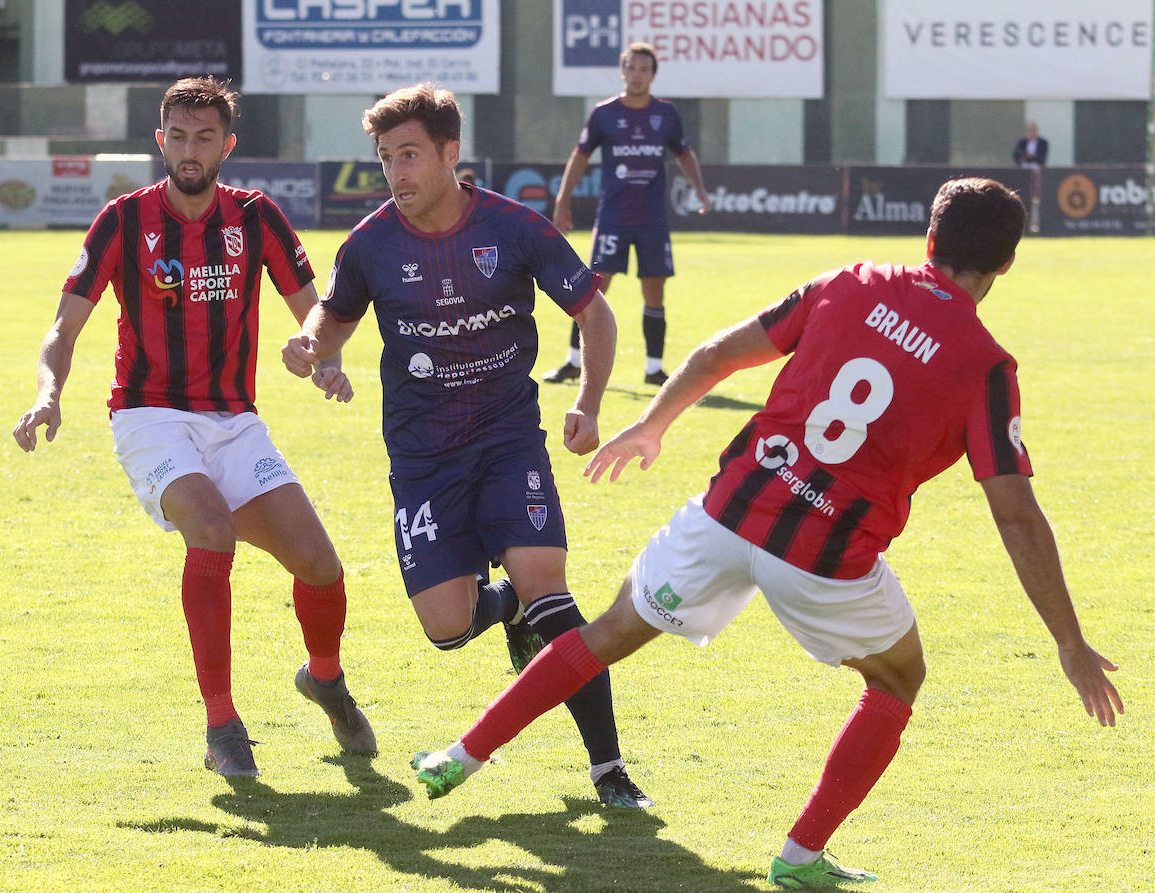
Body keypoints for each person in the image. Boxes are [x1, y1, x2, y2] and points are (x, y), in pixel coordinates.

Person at [408, 177, 1123, 887]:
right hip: (825, 557)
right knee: (900, 677)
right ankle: (801, 856)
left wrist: (653, 424)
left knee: (606, 633)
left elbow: (720, 354)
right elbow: (1015, 513)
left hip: (729, 512)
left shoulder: (851, 280)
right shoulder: (986, 365)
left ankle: (459, 754)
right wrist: (1068, 639)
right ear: (1007, 263)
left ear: (929, 239)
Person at [283, 83, 653, 808]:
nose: (397, 172)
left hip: (509, 438)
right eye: (386, 157)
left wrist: (587, 404)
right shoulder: (370, 244)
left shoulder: (514, 229)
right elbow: (332, 317)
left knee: (553, 591)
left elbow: (597, 316)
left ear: (451, 154)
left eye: (411, 154)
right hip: (423, 459)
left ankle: (609, 770)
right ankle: (506, 604)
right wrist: (310, 345)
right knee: (448, 627)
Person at [12, 76, 376, 779]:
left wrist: (317, 353)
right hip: (150, 415)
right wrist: (48, 394)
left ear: (227, 145)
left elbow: (314, 311)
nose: (189, 148)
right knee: (209, 529)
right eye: (178, 135)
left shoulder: (257, 217)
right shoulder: (122, 220)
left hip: (235, 421)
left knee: (321, 566)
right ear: (160, 140)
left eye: (204, 136)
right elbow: (65, 325)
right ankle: (222, 725)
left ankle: (324, 677)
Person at [545, 42, 710, 387]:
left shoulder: (666, 114)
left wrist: (700, 188)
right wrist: (563, 201)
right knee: (591, 289)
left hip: (652, 219)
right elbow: (580, 157)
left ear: (652, 75)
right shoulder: (604, 114)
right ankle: (573, 361)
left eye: (643, 69)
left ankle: (653, 368)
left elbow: (684, 153)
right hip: (613, 217)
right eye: (631, 68)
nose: (636, 75)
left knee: (655, 290)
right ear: (623, 71)